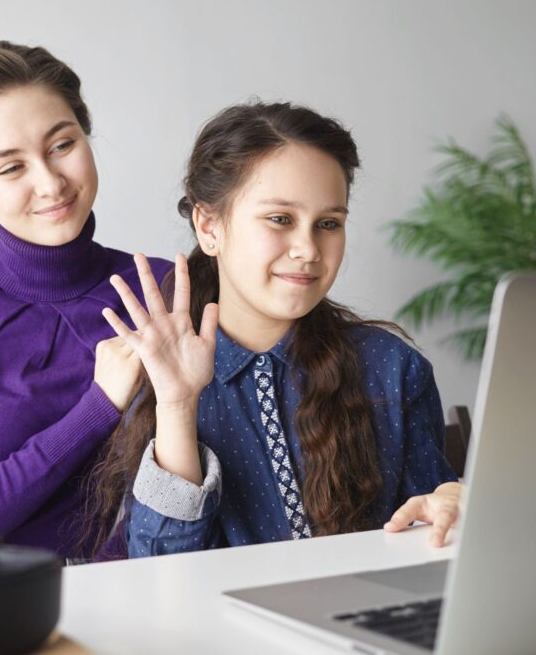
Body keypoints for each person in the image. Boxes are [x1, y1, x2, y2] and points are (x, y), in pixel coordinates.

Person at [87, 101, 461, 558]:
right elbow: (160, 568)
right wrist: (178, 405)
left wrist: (454, 508)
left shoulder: (392, 366)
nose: (308, 249)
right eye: (280, 219)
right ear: (209, 226)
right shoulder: (161, 371)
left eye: (328, 224)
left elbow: (431, 545)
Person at [0, 40, 172, 560]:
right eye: (10, 167)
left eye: (62, 145)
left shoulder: (165, 289)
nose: (50, 183)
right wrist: (98, 408)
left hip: (154, 586)